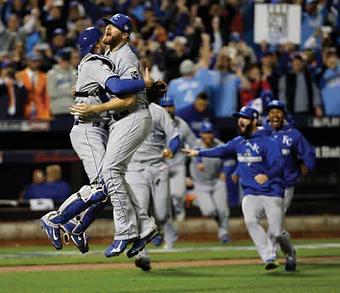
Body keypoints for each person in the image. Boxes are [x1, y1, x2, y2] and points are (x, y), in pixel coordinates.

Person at [40, 26, 154, 256]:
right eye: (101, 37)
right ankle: (55, 219)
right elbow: (117, 87)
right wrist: (144, 83)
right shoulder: (94, 62)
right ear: (96, 45)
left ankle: (78, 226)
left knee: (109, 186)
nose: (104, 38)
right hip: (88, 130)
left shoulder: (91, 63)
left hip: (97, 129)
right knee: (103, 186)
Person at [183, 107, 295, 271]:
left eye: (245, 118)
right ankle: (269, 256)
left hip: (272, 192)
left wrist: (268, 175)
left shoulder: (268, 141)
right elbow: (220, 150)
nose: (240, 121)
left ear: (254, 121)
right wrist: (198, 152)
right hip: (251, 193)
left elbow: (279, 164)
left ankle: (290, 254)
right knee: (250, 221)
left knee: (277, 233)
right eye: (239, 118)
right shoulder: (239, 142)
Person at [125, 102, 181, 271]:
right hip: (134, 168)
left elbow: (175, 136)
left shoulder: (158, 111)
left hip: (158, 166)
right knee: (140, 210)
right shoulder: (123, 108)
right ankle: (141, 254)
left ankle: (157, 231)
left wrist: (172, 149)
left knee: (162, 214)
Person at [189, 121, 230, 244]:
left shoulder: (220, 145)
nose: (207, 136)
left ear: (213, 134)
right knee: (209, 211)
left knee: (223, 210)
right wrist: (187, 176)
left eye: (209, 133)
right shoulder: (195, 144)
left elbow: (228, 160)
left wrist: (224, 171)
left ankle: (224, 233)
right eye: (205, 133)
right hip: (200, 183)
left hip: (217, 181)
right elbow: (189, 156)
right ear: (201, 134)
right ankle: (217, 218)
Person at [17, 52, 50, 120]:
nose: (37, 63)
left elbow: (46, 96)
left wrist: (47, 113)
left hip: (41, 112)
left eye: (39, 61)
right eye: (34, 61)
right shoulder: (19, 75)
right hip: (23, 112)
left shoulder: (44, 76)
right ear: (27, 61)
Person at [47, 48, 77, 119]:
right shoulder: (51, 73)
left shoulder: (74, 72)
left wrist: (61, 90)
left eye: (68, 60)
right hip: (57, 110)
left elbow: (76, 92)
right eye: (64, 60)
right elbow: (51, 93)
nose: (66, 62)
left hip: (72, 109)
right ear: (59, 60)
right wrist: (68, 91)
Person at [319, 50, 340, 116]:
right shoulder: (321, 74)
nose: (332, 60)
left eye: (334, 57)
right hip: (330, 111)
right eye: (329, 58)